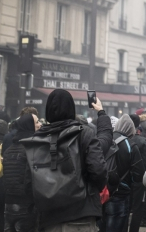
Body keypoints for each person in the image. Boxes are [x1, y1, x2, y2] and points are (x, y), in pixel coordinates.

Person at [30, 89, 112, 231]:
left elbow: (28, 180)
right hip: (81, 215)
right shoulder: (84, 133)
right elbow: (98, 170)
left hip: (49, 219)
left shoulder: (38, 138)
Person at [101, 114, 144, 232]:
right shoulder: (131, 145)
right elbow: (139, 175)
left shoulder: (104, 140)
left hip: (101, 193)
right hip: (120, 194)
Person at [2, 113, 41, 231]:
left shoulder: (9, 150)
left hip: (8, 204)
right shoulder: (32, 149)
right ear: (29, 126)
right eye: (37, 122)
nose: (40, 125)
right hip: (26, 205)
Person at [128, 114, 146, 232]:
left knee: (125, 208)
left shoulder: (122, 139)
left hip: (124, 180)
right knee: (138, 208)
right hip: (139, 180)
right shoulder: (142, 141)